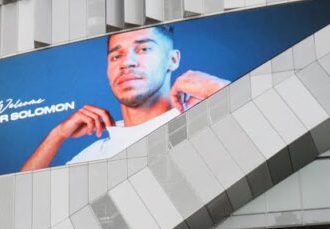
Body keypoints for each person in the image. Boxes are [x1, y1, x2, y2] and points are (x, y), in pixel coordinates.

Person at [21, 25, 228, 170]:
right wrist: (56, 135)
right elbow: (20, 208)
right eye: (116, 56)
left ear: (172, 60)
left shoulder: (209, 119)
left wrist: (222, 90)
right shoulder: (94, 156)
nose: (126, 62)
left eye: (144, 49)